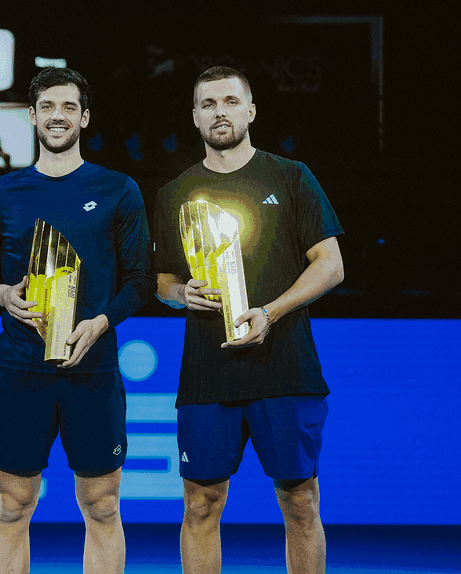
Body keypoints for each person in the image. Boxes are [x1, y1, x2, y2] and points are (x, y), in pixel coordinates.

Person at [153, 66, 344, 574]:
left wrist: (271, 312)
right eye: (209, 104)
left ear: (251, 111)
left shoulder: (291, 176)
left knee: (300, 502)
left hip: (285, 367)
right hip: (207, 373)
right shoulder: (174, 193)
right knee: (200, 505)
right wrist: (181, 293)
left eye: (231, 102)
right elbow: (162, 279)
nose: (220, 112)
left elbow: (330, 264)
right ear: (195, 118)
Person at [0, 67, 155, 573]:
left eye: (69, 106)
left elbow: (141, 279)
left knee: (103, 506)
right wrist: (2, 293)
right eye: (47, 106)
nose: (57, 116)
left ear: (84, 117)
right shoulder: (0, 193)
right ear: (32, 115)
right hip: (22, 368)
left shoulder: (118, 189)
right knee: (12, 505)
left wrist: (102, 321)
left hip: (93, 369)